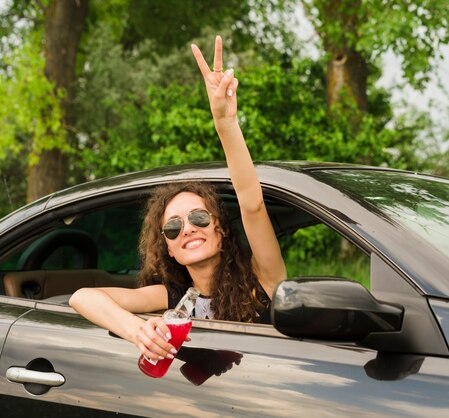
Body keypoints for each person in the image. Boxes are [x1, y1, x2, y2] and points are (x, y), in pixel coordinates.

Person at [69, 35, 287, 364]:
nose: (186, 229)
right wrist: (136, 331)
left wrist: (225, 122)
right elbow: (82, 297)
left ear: (220, 228)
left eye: (198, 218)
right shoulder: (172, 297)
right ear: (169, 247)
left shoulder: (262, 281)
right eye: (173, 227)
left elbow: (252, 204)